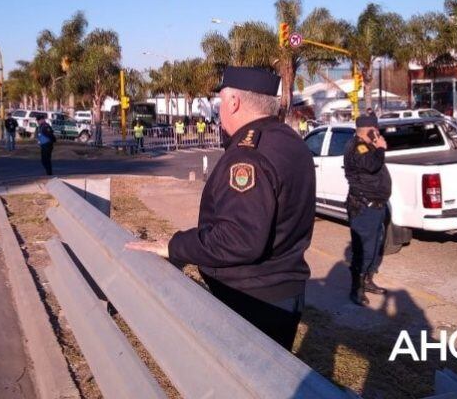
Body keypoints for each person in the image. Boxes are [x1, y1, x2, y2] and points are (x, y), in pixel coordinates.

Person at [127, 66, 316, 350]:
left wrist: (175, 245)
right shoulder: (290, 141)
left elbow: (239, 239)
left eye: (220, 103)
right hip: (281, 291)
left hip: (251, 299)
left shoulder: (249, 156)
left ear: (233, 102)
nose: (219, 111)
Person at [344, 114, 391, 307]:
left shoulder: (366, 145)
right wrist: (380, 148)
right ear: (368, 130)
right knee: (363, 249)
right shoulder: (358, 147)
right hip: (364, 207)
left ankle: (368, 280)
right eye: (375, 129)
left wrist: (377, 147)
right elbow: (371, 165)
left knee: (375, 247)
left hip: (376, 205)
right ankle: (357, 290)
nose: (378, 133)